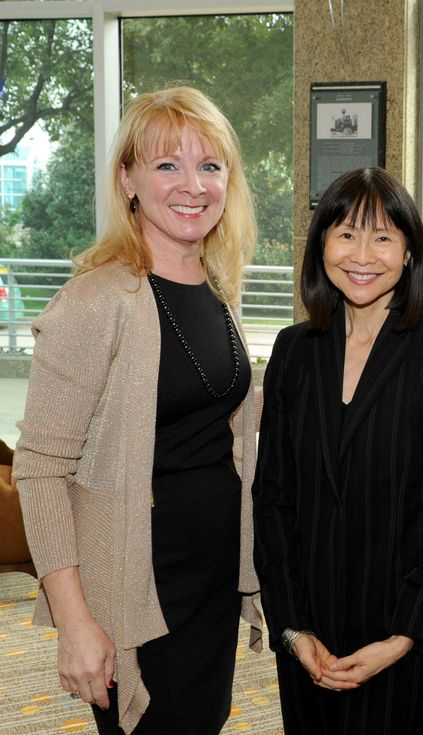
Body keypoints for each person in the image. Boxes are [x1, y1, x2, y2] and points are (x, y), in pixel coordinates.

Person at [13, 86, 262, 735]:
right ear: (128, 178)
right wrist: (74, 622)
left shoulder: (216, 286)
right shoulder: (95, 301)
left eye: (210, 165)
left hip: (209, 586)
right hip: (138, 594)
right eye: (166, 164)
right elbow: (39, 472)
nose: (193, 184)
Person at [252, 167, 423, 735]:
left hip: (396, 634)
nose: (363, 254)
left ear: (409, 253)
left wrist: (406, 635)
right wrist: (292, 628)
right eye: (346, 234)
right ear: (322, 246)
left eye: (383, 236)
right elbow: (273, 498)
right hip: (308, 635)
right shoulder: (293, 350)